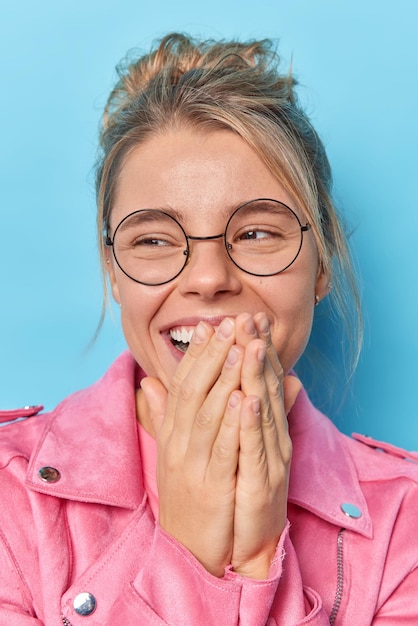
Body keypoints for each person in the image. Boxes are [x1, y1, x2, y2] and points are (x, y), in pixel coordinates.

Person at [1, 33, 417, 626]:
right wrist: (193, 557)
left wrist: (255, 559)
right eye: (153, 240)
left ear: (321, 263)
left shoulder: (408, 520)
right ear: (114, 272)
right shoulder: (8, 500)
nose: (207, 278)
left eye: (255, 233)